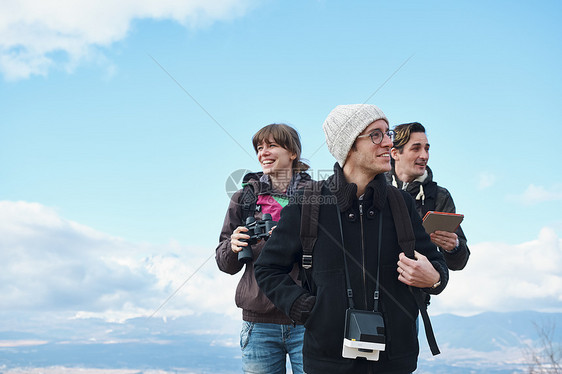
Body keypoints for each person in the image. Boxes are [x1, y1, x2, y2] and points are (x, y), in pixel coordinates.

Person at [255, 104, 448, 374]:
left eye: (388, 133)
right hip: (327, 362)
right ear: (349, 145)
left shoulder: (401, 204)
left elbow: (437, 264)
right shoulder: (308, 204)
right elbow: (267, 268)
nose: (389, 143)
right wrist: (305, 308)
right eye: (376, 135)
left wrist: (435, 278)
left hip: (395, 362)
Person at [216, 123, 311, 374]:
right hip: (258, 323)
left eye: (272, 145)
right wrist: (233, 247)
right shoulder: (244, 198)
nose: (263, 152)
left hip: (307, 316)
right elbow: (224, 264)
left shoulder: (316, 197)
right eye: (260, 147)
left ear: (292, 153)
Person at [386, 122, 469, 270]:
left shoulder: (440, 195)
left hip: (417, 289)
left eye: (427, 149)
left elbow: (459, 263)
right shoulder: (374, 188)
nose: (424, 156)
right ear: (395, 153)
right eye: (416, 148)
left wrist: (454, 247)